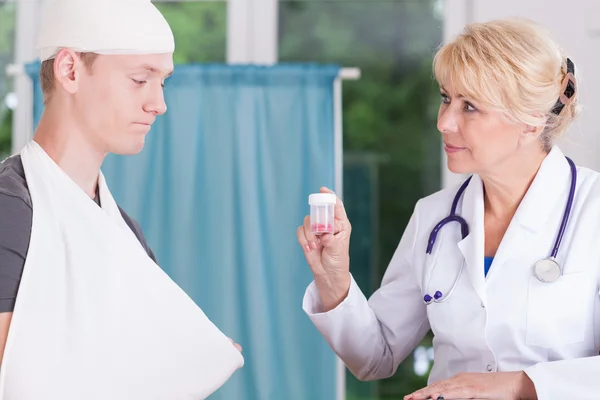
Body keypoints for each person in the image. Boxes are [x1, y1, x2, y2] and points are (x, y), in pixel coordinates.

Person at [297, 18, 598, 400]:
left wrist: (517, 385)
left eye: (469, 106)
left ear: (531, 122)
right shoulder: (434, 216)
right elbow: (376, 357)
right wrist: (334, 280)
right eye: (445, 98)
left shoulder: (593, 210)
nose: (444, 122)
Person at [0, 0, 243, 398]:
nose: (159, 104)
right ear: (70, 70)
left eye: (162, 82)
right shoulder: (9, 212)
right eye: (139, 79)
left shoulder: (124, 233)